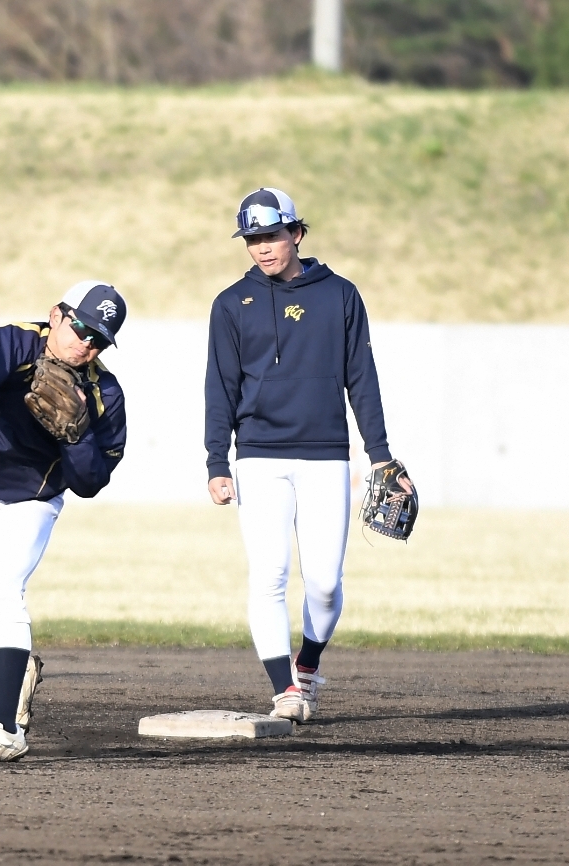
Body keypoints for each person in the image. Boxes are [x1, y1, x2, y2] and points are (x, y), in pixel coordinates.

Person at [204, 187, 410, 723]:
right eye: (252, 239)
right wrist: (216, 461)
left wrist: (381, 454)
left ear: (296, 233)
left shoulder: (340, 295)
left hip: (325, 454)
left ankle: (309, 665)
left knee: (324, 582)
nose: (261, 247)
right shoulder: (231, 304)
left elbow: (362, 378)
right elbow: (220, 387)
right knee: (269, 575)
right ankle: (285, 690)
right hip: (258, 456)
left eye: (271, 236)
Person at [0, 281, 128, 765]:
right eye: (82, 328)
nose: (87, 344)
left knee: (1, 591)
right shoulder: (14, 341)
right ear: (56, 315)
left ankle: (5, 730)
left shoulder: (104, 393)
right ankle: (15, 668)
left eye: (99, 339)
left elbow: (92, 482)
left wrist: (77, 437)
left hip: (30, 503)